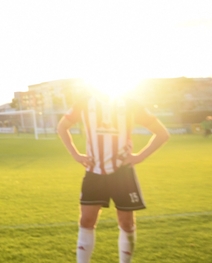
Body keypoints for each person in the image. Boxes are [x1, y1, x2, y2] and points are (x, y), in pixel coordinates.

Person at [57, 93, 170, 263]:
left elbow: (162, 133)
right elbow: (62, 127)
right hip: (94, 171)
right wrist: (75, 154)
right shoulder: (84, 102)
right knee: (86, 220)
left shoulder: (131, 103)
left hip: (122, 173)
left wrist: (140, 156)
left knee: (126, 223)